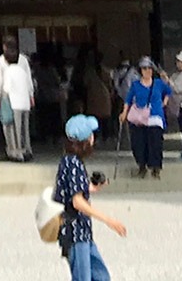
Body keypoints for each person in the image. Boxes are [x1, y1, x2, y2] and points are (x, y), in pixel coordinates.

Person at [55, 114, 127, 281]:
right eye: (91, 135)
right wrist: (109, 220)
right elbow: (77, 201)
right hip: (75, 232)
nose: (93, 138)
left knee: (101, 276)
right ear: (85, 140)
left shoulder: (68, 161)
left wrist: (91, 188)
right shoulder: (74, 164)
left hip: (82, 232)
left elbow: (71, 188)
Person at [123, 57, 172, 178]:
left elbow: (169, 90)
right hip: (140, 117)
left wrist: (164, 101)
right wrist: (124, 112)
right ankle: (142, 165)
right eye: (144, 68)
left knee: (155, 143)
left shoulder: (158, 83)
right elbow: (128, 99)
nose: (147, 71)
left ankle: (155, 167)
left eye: (149, 68)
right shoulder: (136, 85)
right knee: (139, 143)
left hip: (155, 116)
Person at [0, 36, 36, 162]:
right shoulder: (23, 59)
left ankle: (13, 151)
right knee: (24, 126)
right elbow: (29, 78)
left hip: (8, 97)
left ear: (4, 46)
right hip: (23, 96)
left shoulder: (1, 61)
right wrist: (31, 94)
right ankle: (27, 149)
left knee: (9, 125)